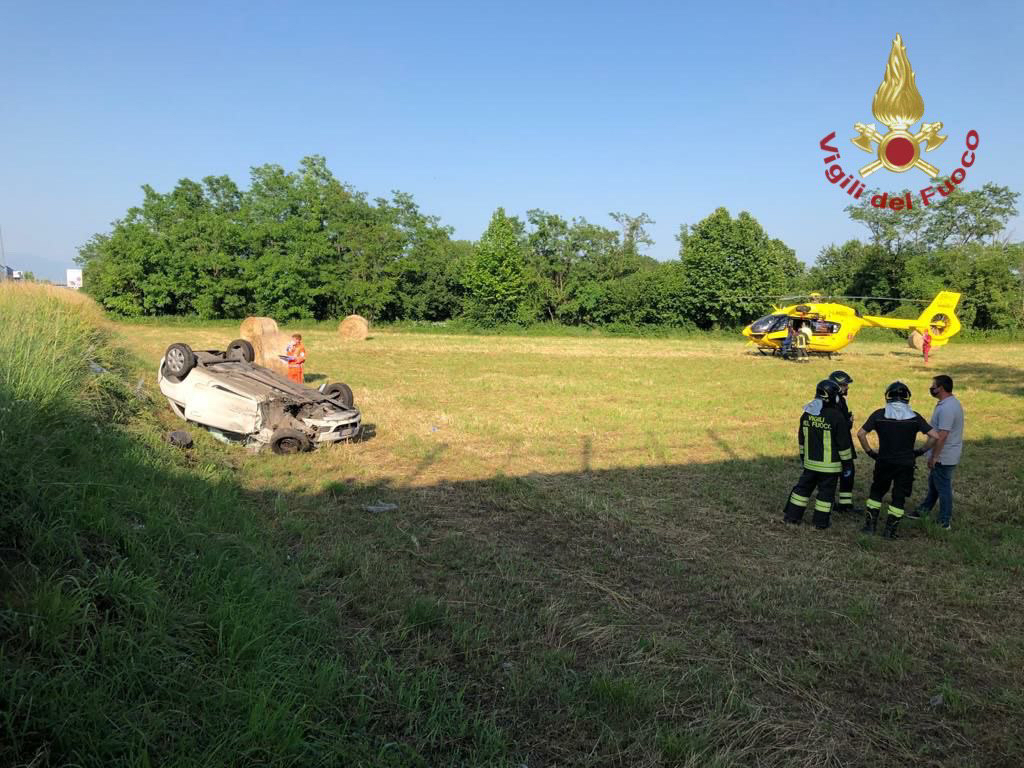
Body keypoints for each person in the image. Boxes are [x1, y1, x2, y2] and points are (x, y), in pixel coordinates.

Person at [857, 382, 939, 539]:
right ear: (907, 397)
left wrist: (870, 452)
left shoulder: (879, 415)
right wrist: (921, 451)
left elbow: (861, 434)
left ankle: (870, 527)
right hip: (906, 463)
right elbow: (935, 436)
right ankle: (890, 532)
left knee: (876, 492)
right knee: (899, 496)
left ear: (887, 396)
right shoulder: (914, 417)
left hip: (884, 461)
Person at [782, 379, 854, 529]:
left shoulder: (807, 414)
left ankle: (792, 517)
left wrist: (803, 457)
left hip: (810, 463)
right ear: (834, 397)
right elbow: (843, 445)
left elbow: (801, 438)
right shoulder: (836, 416)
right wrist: (847, 464)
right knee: (825, 495)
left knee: (802, 490)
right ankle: (820, 523)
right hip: (829, 467)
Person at [909, 375, 964, 529]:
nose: (931, 388)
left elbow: (942, 436)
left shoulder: (947, 408)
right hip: (945, 454)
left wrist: (934, 457)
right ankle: (922, 510)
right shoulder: (947, 404)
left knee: (943, 488)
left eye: (934, 385)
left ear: (941, 388)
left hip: (944, 456)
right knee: (934, 485)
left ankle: (944, 522)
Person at [828, 370, 858, 513]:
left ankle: (844, 504)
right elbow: (837, 426)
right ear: (838, 385)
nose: (847, 388)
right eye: (845, 385)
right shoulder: (835, 402)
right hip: (839, 444)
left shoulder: (837, 400)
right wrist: (849, 422)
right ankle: (837, 504)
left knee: (848, 472)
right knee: (846, 471)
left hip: (838, 442)